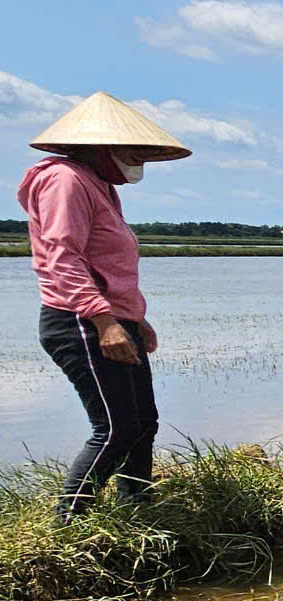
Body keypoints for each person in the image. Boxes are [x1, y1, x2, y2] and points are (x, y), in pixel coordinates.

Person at [17, 93, 192, 522]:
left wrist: (134, 319)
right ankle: (68, 524)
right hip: (81, 322)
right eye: (134, 152)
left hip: (113, 319)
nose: (139, 162)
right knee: (115, 428)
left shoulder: (99, 186)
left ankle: (136, 513)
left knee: (143, 423)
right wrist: (105, 322)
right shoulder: (65, 180)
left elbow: (106, 262)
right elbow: (64, 256)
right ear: (100, 146)